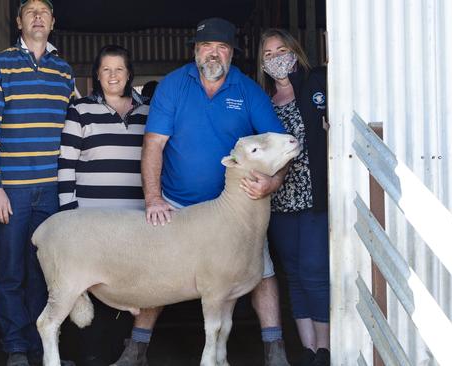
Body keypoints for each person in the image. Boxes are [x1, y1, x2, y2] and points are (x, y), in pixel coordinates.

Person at [112, 18, 290, 366]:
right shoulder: (174, 86)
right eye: (206, 46)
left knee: (261, 269)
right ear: (195, 51)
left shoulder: (247, 90)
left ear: (231, 53)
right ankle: (137, 348)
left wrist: (274, 182)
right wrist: (153, 198)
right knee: (157, 272)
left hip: (234, 209)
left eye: (221, 47)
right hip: (178, 202)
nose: (213, 53)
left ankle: (276, 349)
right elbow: (153, 145)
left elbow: (281, 146)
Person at [0, 1, 75, 365]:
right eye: (30, 10)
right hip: (12, 190)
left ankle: (42, 350)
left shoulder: (64, 72)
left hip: (50, 190)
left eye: (43, 11)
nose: (37, 16)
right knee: (11, 273)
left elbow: (72, 130)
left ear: (53, 22)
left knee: (44, 274)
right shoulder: (0, 65)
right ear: (19, 22)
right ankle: (16, 349)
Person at [57, 44, 149, 366]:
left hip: (136, 222)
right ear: (97, 75)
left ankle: (122, 353)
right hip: (90, 223)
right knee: (91, 285)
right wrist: (69, 217)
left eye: (119, 69)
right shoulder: (80, 110)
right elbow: (66, 165)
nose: (113, 76)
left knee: (129, 287)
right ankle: (88, 355)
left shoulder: (148, 113)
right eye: (106, 69)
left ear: (129, 74)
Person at [256, 28, 329, 366]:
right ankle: (309, 350)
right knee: (295, 274)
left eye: (280, 50)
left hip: (313, 197)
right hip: (280, 201)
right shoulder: (264, 101)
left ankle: (326, 350)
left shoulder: (316, 84)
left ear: (294, 51)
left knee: (315, 271)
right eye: (268, 54)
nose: (276, 58)